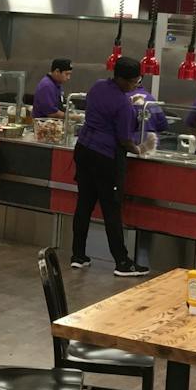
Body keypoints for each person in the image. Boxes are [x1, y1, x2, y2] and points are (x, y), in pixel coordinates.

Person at [69, 57, 152, 277]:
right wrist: (141, 148)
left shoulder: (97, 86)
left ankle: (78, 255)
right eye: (135, 81)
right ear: (125, 80)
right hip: (105, 158)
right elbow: (124, 139)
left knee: (84, 205)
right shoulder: (123, 104)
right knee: (111, 210)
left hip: (84, 150)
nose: (136, 85)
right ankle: (122, 262)